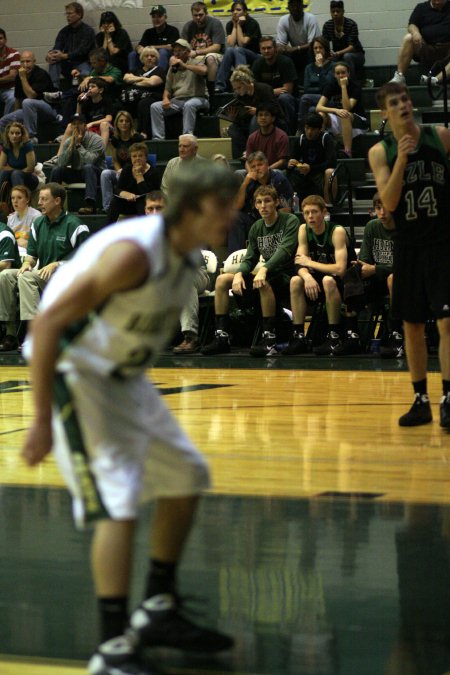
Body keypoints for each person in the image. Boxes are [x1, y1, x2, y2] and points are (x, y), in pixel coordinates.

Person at [21, 163, 240, 675]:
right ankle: (111, 647)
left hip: (123, 377)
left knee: (187, 475)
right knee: (118, 503)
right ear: (192, 208)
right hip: (75, 375)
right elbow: (49, 321)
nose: (231, 214)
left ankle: (158, 608)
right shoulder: (133, 255)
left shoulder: (186, 255)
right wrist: (38, 421)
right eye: (222, 205)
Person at [368, 81, 450, 427]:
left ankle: (449, 396)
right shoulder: (380, 151)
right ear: (385, 113)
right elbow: (388, 202)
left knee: (447, 321)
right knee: (412, 325)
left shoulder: (441, 136)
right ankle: (420, 399)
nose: (403, 104)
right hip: (408, 245)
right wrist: (402, 159)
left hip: (443, 242)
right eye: (394, 102)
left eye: (404, 98)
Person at [202, 185, 299, 357]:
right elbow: (250, 257)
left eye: (267, 201)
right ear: (254, 205)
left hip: (288, 275)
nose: (263, 206)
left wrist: (264, 269)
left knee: (263, 282)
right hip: (267, 274)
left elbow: (285, 250)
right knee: (222, 280)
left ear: (276, 202)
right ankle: (222, 336)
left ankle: (269, 338)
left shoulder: (290, 220)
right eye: (259, 202)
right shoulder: (256, 227)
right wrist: (239, 273)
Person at [0, 182, 89, 352]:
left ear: (57, 201)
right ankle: (10, 333)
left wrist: (57, 264)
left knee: (26, 278)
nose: (39, 202)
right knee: (5, 275)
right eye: (39, 199)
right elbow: (32, 256)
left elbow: (86, 258)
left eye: (43, 199)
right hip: (44, 274)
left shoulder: (75, 224)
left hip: (69, 277)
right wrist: (27, 263)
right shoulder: (38, 223)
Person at [282, 194, 360, 356]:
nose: (310, 216)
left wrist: (309, 263)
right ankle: (299, 336)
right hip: (319, 278)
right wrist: (307, 276)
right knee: (296, 280)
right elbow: (299, 262)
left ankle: (334, 335)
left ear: (324, 212)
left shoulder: (336, 231)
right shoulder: (303, 229)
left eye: (314, 212)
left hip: (347, 282)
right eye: (306, 213)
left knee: (327, 280)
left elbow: (340, 269)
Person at [357, 191, 403, 359]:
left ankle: (397, 338)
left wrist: (376, 269)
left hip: (404, 283)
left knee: (393, 278)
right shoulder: (372, 226)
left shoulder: (404, 228)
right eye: (378, 208)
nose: (382, 213)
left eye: (386, 209)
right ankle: (352, 335)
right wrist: (365, 268)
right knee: (349, 276)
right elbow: (364, 259)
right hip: (376, 281)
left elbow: (404, 266)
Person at [231, 150, 293, 253]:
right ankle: (235, 258)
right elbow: (237, 207)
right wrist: (245, 183)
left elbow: (286, 211)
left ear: (267, 164)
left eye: (260, 165)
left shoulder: (279, 180)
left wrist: (270, 224)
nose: (257, 169)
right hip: (254, 221)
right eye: (253, 167)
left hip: (274, 221)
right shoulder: (249, 182)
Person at [150, 38, 209, 140]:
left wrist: (185, 65)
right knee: (155, 107)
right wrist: (165, 99)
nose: (176, 53)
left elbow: (204, 71)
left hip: (198, 98)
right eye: (175, 51)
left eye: (179, 50)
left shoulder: (196, 61)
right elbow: (167, 88)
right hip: (178, 101)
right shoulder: (173, 68)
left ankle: (186, 137)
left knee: (189, 105)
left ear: (187, 52)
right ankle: (158, 139)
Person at [0, 51, 61, 145]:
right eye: (22, 62)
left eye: (28, 61)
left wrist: (23, 78)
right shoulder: (18, 77)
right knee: (3, 121)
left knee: (28, 102)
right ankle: (6, 145)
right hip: (29, 111)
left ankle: (31, 136)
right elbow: (18, 99)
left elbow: (31, 95)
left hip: (49, 110)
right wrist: (16, 122)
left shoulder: (41, 74)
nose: (25, 65)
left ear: (34, 61)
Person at [50, 113, 106, 215]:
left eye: (79, 123)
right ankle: (53, 204)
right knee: (57, 170)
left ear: (85, 126)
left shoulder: (96, 140)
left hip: (96, 174)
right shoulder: (69, 141)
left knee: (88, 167)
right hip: (78, 172)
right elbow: (61, 163)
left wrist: (79, 145)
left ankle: (90, 205)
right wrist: (71, 146)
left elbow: (90, 161)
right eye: (73, 124)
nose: (76, 126)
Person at [316, 60, 368, 158]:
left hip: (357, 119)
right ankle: (321, 148)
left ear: (348, 73)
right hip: (338, 116)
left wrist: (343, 87)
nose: (341, 75)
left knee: (345, 114)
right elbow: (318, 107)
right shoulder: (331, 85)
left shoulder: (355, 86)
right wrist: (335, 110)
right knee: (321, 115)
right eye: (338, 73)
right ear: (334, 75)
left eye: (343, 72)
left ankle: (347, 152)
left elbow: (347, 108)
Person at [390, 0, 450, 84]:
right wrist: (415, 32)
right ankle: (400, 76)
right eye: (435, 1)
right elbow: (412, 25)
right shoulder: (421, 8)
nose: (437, 3)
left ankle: (435, 80)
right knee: (408, 38)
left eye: (440, 1)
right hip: (427, 47)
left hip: (447, 49)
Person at [227, 65, 278, 159]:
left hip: (267, 120)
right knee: (233, 129)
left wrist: (258, 111)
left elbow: (275, 108)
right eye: (235, 89)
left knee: (255, 119)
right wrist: (233, 118)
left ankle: (252, 153)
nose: (237, 91)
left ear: (247, 83)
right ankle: (241, 156)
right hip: (247, 122)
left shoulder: (264, 89)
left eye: (239, 88)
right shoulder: (240, 96)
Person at [100, 110, 145, 213]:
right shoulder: (115, 140)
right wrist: (119, 169)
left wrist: (127, 171)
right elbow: (115, 160)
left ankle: (124, 205)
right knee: (105, 173)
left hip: (136, 172)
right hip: (121, 172)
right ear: (117, 123)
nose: (124, 123)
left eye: (126, 121)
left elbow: (142, 158)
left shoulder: (138, 138)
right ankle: (107, 207)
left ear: (130, 123)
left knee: (122, 175)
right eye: (121, 121)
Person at [252, 35, 298, 135]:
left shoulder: (286, 62)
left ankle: (290, 134)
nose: (266, 51)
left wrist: (266, 92)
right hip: (266, 100)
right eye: (263, 48)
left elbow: (287, 90)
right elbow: (255, 90)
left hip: (284, 99)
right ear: (260, 50)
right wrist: (273, 91)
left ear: (275, 48)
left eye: (269, 48)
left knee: (284, 98)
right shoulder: (257, 64)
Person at [287, 112, 337, 204]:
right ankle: (290, 205)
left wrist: (311, 168)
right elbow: (294, 158)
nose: (309, 132)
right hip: (305, 172)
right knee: (285, 173)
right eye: (307, 128)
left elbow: (332, 162)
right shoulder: (301, 139)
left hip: (321, 173)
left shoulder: (326, 138)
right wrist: (291, 163)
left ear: (320, 129)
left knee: (330, 172)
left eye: (313, 129)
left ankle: (328, 206)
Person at [106, 142, 161, 224]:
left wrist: (139, 175)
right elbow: (117, 189)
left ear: (146, 157)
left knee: (141, 201)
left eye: (140, 156)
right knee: (116, 201)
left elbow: (150, 194)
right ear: (131, 158)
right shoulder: (127, 169)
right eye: (134, 156)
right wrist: (126, 194)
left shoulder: (153, 172)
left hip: (145, 204)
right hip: (128, 203)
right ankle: (107, 229)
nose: (137, 158)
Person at [181, 1, 225, 100]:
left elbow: (217, 47)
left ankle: (211, 90)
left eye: (200, 15)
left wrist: (197, 52)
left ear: (206, 13)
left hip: (216, 54)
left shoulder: (215, 23)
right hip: (195, 56)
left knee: (210, 58)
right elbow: (183, 46)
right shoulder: (188, 26)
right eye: (195, 15)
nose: (198, 18)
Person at [214, 1, 262, 93]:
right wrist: (235, 26)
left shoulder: (252, 23)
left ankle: (241, 81)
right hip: (239, 55)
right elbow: (231, 44)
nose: (235, 12)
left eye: (238, 10)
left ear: (245, 12)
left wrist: (239, 25)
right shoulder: (230, 24)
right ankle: (220, 85)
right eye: (233, 10)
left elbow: (242, 43)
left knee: (238, 49)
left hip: (256, 56)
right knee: (229, 50)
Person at [46, 2, 95, 89]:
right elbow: (57, 46)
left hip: (83, 62)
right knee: (53, 61)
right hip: (68, 63)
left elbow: (82, 51)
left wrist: (65, 56)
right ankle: (54, 89)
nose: (67, 16)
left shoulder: (88, 31)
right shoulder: (64, 31)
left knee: (86, 73)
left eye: (70, 13)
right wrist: (51, 54)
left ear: (79, 14)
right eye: (66, 14)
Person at [120, 47, 166, 137]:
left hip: (153, 96)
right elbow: (126, 78)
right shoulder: (136, 70)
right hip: (135, 96)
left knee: (143, 103)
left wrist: (134, 80)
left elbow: (152, 82)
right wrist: (143, 79)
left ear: (156, 59)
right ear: (142, 59)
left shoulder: (159, 70)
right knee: (119, 105)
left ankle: (143, 131)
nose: (149, 58)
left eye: (152, 56)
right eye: (146, 56)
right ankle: (122, 133)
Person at [276, 0, 320, 83]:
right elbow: (280, 44)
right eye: (293, 5)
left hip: (309, 51)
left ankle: (310, 82)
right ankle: (290, 84)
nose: (295, 8)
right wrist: (281, 47)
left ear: (302, 6)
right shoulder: (283, 20)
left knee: (313, 51)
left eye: (298, 5)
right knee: (281, 54)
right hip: (294, 52)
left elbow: (313, 43)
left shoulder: (310, 18)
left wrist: (296, 48)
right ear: (288, 8)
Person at [297, 36, 334, 133]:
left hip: (328, 99)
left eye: (320, 47)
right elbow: (306, 88)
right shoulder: (309, 67)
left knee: (305, 98)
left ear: (326, 49)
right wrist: (319, 89)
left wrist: (321, 67)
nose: (318, 50)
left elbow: (327, 87)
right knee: (312, 110)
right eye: (315, 48)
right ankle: (311, 132)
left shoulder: (333, 66)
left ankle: (301, 130)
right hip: (313, 101)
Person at [322, 1, 365, 79]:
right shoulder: (328, 25)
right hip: (338, 55)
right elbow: (324, 43)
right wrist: (328, 53)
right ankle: (330, 85)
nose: (335, 14)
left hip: (356, 54)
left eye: (338, 11)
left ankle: (351, 83)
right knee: (324, 58)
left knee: (347, 56)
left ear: (343, 12)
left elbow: (352, 47)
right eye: (333, 12)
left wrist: (338, 53)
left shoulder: (351, 24)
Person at [133, 5, 180, 72]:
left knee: (162, 52)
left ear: (165, 17)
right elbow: (140, 45)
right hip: (150, 56)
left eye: (159, 16)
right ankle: (133, 76)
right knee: (133, 54)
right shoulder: (148, 32)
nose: (156, 19)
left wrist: (152, 47)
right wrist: (139, 48)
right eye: (153, 17)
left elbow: (171, 47)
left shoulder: (173, 30)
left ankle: (159, 77)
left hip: (167, 57)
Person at [246, 102, 290, 170]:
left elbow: (282, 161)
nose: (263, 117)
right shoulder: (252, 137)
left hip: (273, 171)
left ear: (273, 118)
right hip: (256, 170)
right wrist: (251, 173)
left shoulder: (282, 136)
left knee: (278, 173)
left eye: (266, 115)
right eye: (260, 115)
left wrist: (266, 170)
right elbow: (247, 161)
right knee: (239, 173)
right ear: (256, 118)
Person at [0, 219, 21, 350]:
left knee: (3, 276)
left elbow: (6, 264)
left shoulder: (4, 233)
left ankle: (10, 332)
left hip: (12, 275)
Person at [0, 121, 39, 192]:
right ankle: (2, 200)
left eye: (17, 133)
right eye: (11, 133)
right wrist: (15, 171)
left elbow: (30, 168)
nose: (14, 136)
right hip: (13, 176)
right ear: (8, 135)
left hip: (29, 179)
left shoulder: (27, 145)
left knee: (16, 174)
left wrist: (16, 171)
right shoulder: (6, 146)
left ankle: (21, 199)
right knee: (4, 173)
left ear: (22, 135)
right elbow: (2, 166)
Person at [76, 77, 114, 148]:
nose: (90, 89)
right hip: (91, 129)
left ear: (101, 90)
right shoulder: (86, 102)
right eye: (89, 86)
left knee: (104, 124)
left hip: (106, 128)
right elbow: (78, 118)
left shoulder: (107, 101)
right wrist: (79, 103)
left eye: (93, 86)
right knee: (71, 126)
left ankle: (101, 152)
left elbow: (109, 119)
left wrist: (92, 123)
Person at [7, 185, 41, 256]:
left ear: (27, 200)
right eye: (13, 198)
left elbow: (40, 243)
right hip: (13, 251)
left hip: (30, 253)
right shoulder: (11, 218)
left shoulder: (36, 216)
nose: (15, 201)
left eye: (19, 198)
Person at [95, 11, 132, 75]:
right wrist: (105, 34)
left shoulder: (121, 33)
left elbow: (113, 52)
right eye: (104, 23)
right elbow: (101, 53)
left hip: (121, 60)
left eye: (109, 23)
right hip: (105, 61)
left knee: (112, 60)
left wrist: (108, 36)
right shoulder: (99, 36)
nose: (106, 25)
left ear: (114, 23)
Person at [0, 28, 20, 115]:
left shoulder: (14, 54)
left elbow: (12, 76)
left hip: (9, 89)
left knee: (13, 98)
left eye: (0, 38)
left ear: (5, 40)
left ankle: (4, 126)